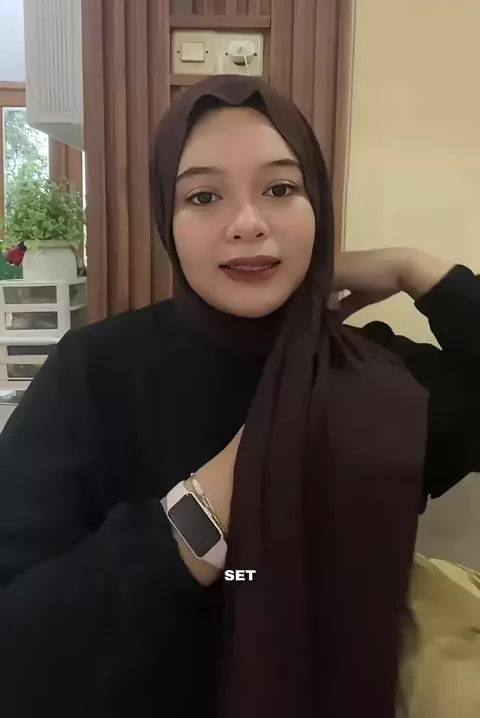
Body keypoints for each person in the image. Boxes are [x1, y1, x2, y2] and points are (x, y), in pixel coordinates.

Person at [0, 75, 478, 718]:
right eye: (203, 196)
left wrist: (416, 269)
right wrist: (208, 508)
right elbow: (18, 640)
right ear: (167, 221)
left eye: (281, 189)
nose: (248, 224)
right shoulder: (97, 372)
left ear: (318, 207)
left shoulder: (375, 380)